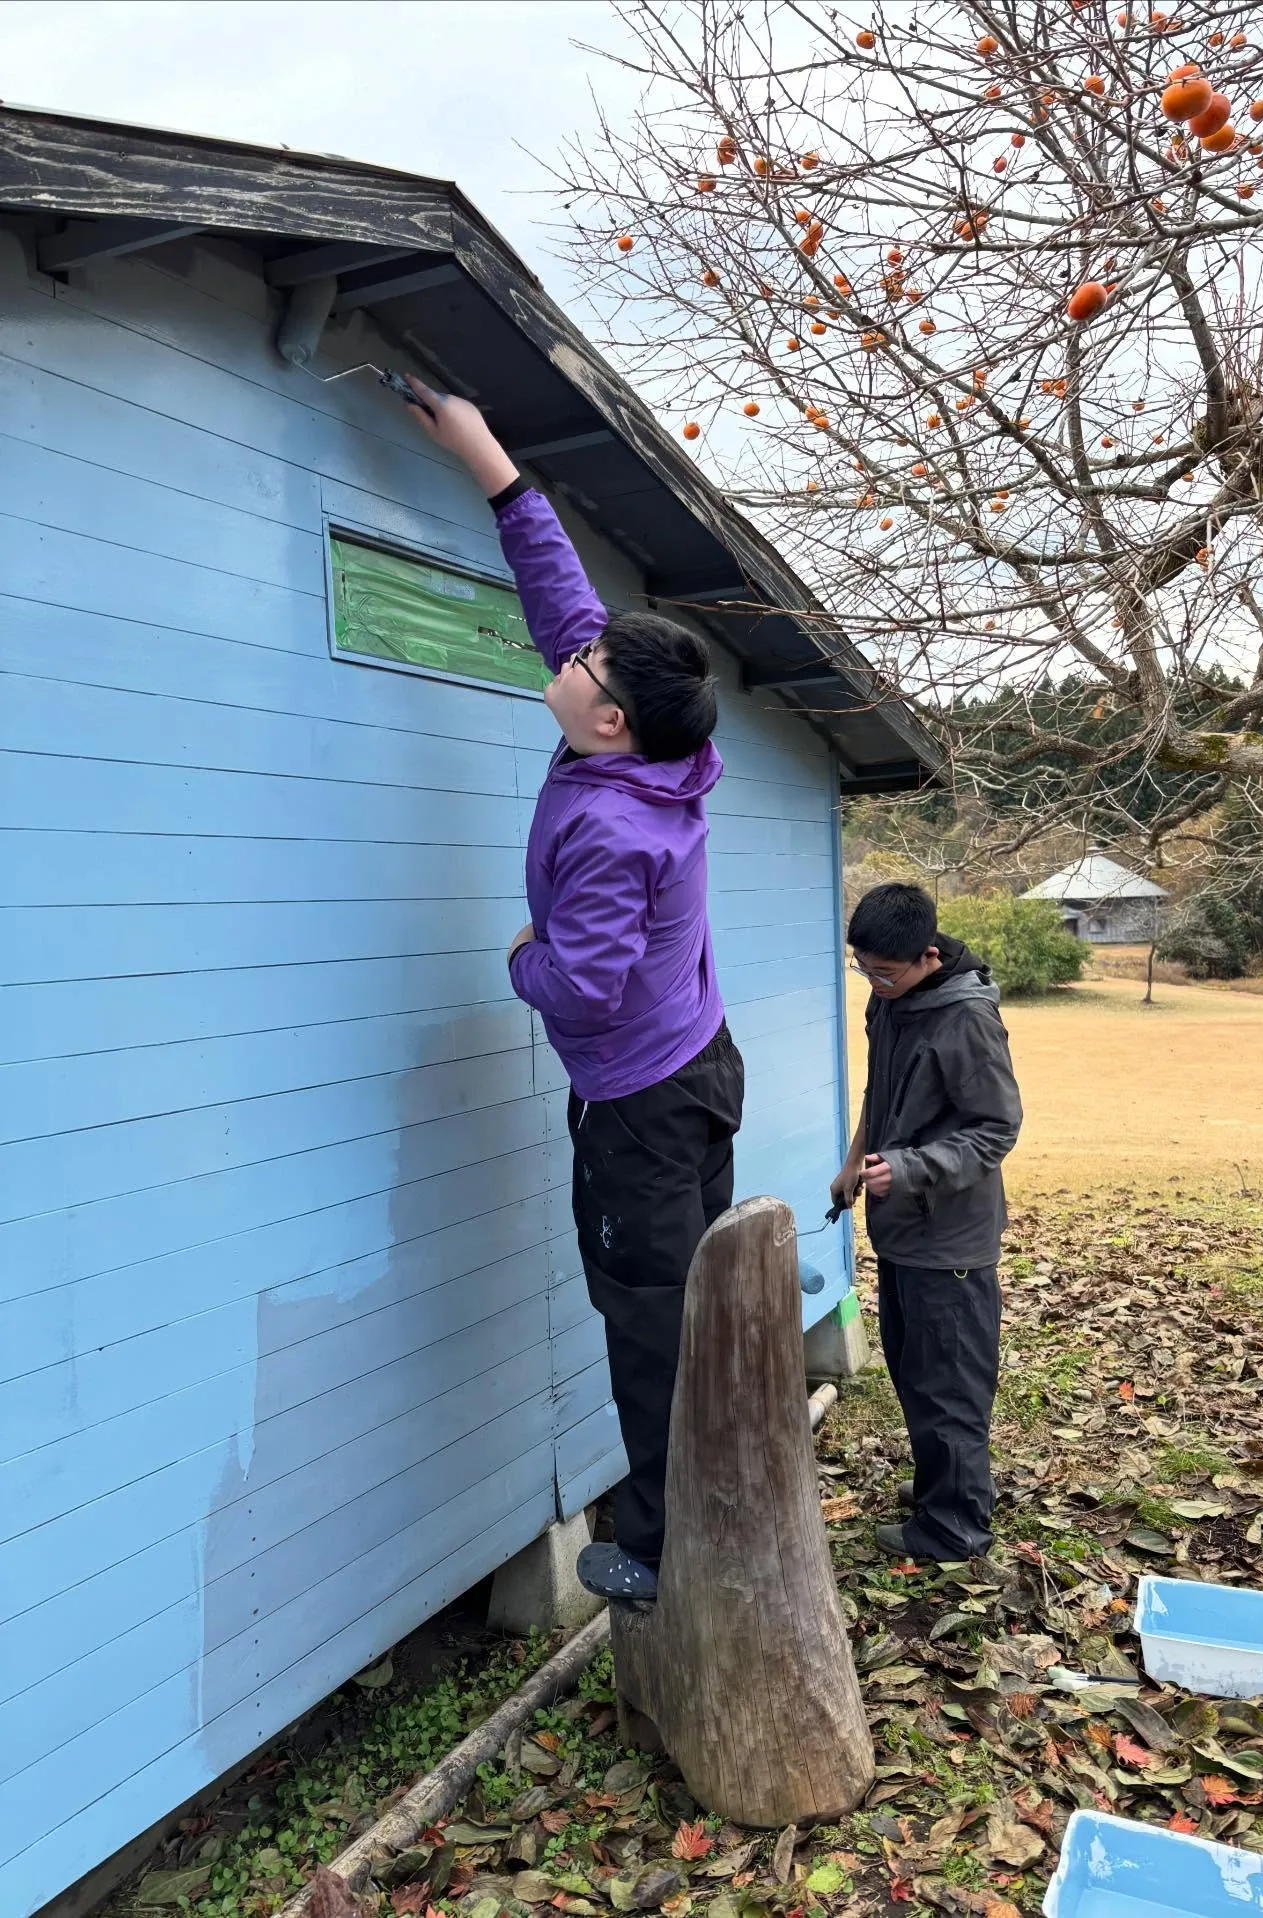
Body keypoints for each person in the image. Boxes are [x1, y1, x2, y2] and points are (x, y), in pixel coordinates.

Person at [403, 378, 744, 1604]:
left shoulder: (610, 826)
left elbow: (585, 988)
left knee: (646, 1315)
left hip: (642, 1101)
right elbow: (563, 602)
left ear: (605, 719)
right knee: (696, 1303)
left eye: (586, 663)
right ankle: (720, 1482)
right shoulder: (653, 745)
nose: (572, 650)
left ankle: (654, 1549)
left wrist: (515, 958)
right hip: (700, 1057)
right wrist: (492, 464)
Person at [831, 882, 1022, 1563]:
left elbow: (996, 1128)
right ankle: (944, 1490)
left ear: (928, 955)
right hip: (901, 1229)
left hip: (951, 1238)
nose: (873, 982)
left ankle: (956, 1528)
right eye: (862, 967)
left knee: (951, 1383)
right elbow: (879, 1092)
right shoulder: (892, 1004)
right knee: (916, 1372)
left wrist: (908, 1169)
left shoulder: (967, 1020)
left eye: (885, 972)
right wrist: (855, 1161)